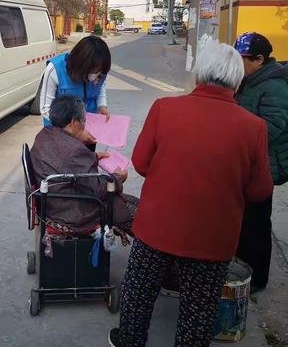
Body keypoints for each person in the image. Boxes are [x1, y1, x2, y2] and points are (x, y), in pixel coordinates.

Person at [109, 40, 273, 347]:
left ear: (199, 75)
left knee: (140, 292)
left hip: (156, 229)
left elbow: (142, 163)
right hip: (212, 239)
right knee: (198, 309)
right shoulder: (254, 128)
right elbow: (260, 190)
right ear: (238, 81)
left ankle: (130, 340)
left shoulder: (164, 108)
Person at [30, 95, 138, 234]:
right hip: (73, 210)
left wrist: (92, 156)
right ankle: (149, 252)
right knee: (136, 213)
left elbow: (67, 165)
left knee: (133, 204)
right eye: (84, 121)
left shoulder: (44, 134)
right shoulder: (73, 150)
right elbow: (98, 188)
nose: (85, 125)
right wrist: (118, 178)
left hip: (53, 201)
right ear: (74, 122)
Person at [233, 32, 288, 292]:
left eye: (242, 59)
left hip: (264, 165)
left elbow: (273, 127)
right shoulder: (249, 80)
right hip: (247, 160)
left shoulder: (274, 85)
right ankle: (240, 266)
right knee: (243, 219)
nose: (237, 64)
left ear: (259, 59)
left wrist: (239, 135)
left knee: (256, 223)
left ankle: (256, 278)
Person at [40, 36, 111, 147]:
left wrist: (102, 106)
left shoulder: (100, 71)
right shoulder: (55, 69)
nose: (97, 75)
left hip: (88, 131)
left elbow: (100, 87)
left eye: (99, 71)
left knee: (87, 162)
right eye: (94, 71)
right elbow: (45, 108)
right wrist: (73, 131)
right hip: (60, 136)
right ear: (81, 65)